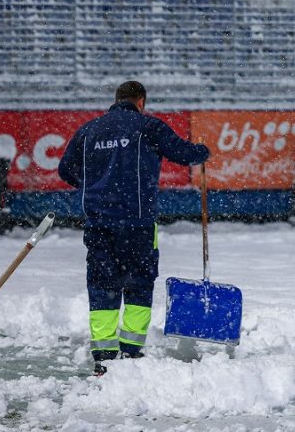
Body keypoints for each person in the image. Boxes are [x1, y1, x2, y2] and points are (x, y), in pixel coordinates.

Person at [58, 81, 210, 376]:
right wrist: (202, 151)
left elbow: (65, 169)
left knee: (103, 285)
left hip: (99, 223)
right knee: (139, 283)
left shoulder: (90, 130)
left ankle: (103, 355)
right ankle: (131, 352)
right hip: (138, 223)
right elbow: (183, 153)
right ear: (141, 101)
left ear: (116, 100)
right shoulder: (147, 126)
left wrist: (95, 186)